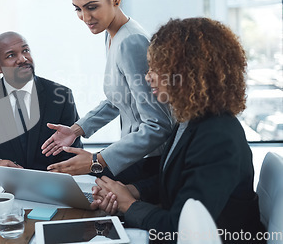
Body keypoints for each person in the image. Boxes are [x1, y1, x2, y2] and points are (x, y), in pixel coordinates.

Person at [91, 17, 266, 243]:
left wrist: (129, 205)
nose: (147, 76)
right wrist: (133, 191)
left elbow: (181, 229)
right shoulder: (191, 120)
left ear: (186, 73)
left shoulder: (217, 137)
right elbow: (173, 178)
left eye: (155, 68)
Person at [42, 0, 174, 181]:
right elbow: (120, 98)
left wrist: (97, 160)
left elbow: (158, 124)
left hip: (148, 161)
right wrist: (76, 130)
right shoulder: (112, 34)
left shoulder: (131, 42)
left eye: (91, 7)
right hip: (132, 156)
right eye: (78, 9)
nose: (85, 17)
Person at [0, 32, 83, 180]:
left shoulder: (61, 95)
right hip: (6, 189)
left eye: (25, 51)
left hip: (53, 185)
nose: (22, 59)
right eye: (11, 55)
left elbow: (73, 152)